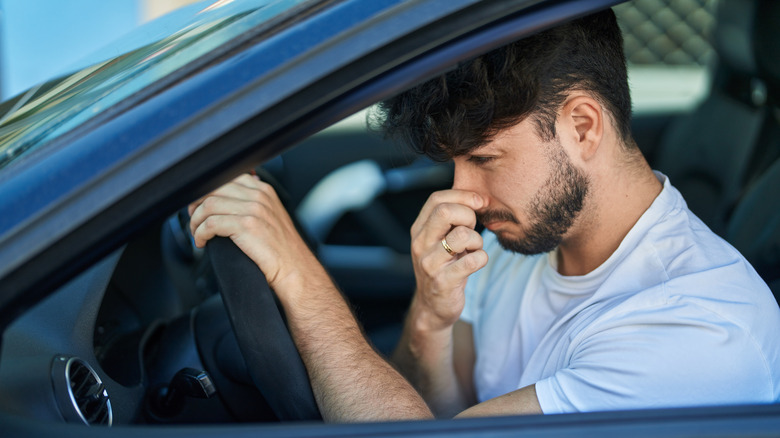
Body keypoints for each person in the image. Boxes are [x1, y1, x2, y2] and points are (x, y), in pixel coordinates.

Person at [188, 9, 780, 422]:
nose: (464, 196)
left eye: (484, 159)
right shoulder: (521, 240)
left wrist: (298, 276)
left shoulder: (697, 332)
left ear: (582, 127)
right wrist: (431, 317)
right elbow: (443, 411)